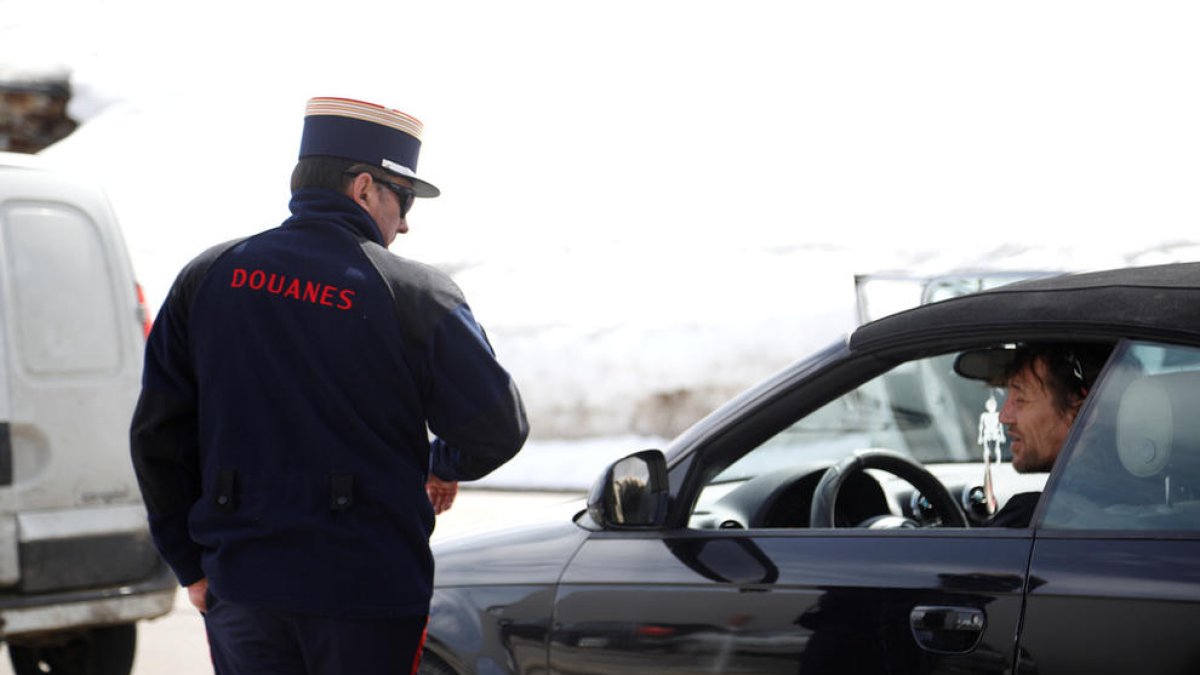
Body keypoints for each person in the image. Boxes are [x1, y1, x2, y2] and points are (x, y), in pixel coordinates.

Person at [130, 96, 529, 674]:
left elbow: (158, 435)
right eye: (404, 198)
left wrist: (190, 564)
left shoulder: (208, 276)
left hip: (242, 586)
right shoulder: (415, 294)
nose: (406, 222)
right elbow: (496, 429)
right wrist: (441, 464)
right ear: (364, 188)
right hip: (367, 591)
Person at [960, 342, 1111, 527]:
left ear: (1081, 413)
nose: (1003, 417)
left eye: (1021, 400)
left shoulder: (1035, 519)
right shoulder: (1128, 503)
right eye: (1007, 398)